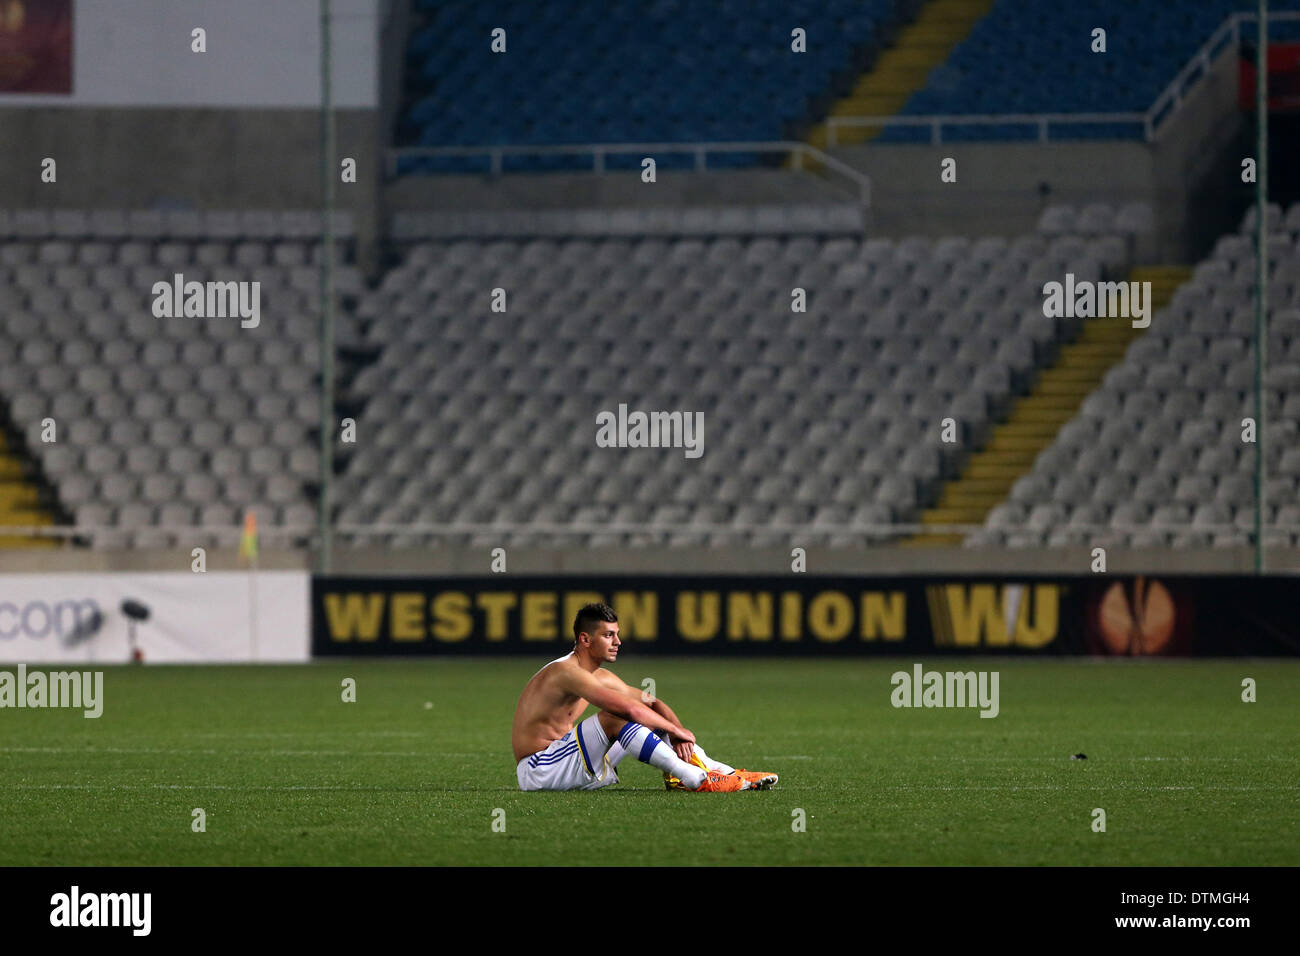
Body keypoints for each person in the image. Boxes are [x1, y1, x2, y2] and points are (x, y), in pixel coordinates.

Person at [512, 602, 779, 792]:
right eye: (608, 635)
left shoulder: (600, 676)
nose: (618, 642)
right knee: (615, 717)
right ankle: (694, 777)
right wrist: (676, 729)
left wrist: (675, 733)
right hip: (538, 769)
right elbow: (629, 710)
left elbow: (651, 702)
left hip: (565, 762)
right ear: (584, 639)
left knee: (651, 717)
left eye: (617, 634)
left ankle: (723, 773)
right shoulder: (566, 672)